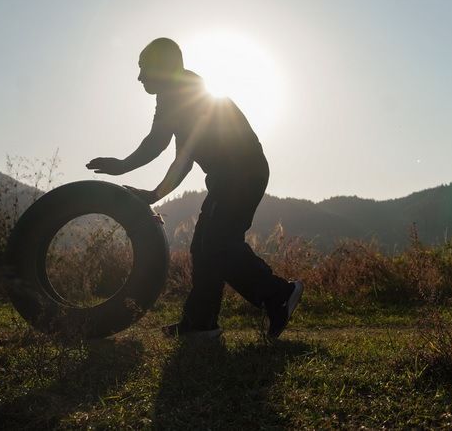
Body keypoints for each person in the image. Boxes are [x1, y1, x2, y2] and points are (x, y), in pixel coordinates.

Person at [86, 37, 303, 340]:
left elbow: (156, 143)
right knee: (204, 247)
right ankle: (201, 323)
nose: (139, 77)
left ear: (163, 65)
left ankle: (278, 293)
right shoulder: (182, 93)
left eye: (143, 68)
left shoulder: (180, 91)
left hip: (239, 175)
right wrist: (155, 194)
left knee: (216, 244)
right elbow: (183, 159)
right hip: (235, 176)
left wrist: (122, 165)